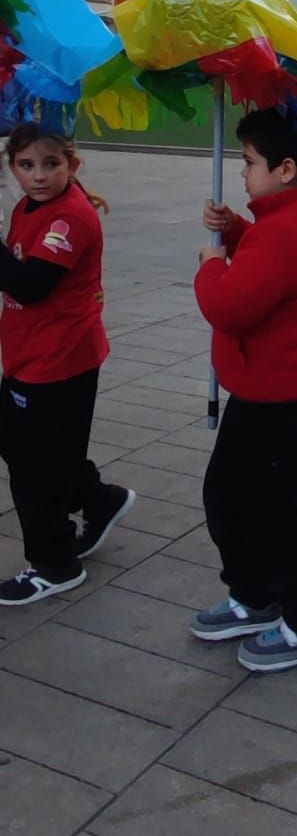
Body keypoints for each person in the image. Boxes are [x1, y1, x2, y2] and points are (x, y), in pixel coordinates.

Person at [192, 106, 297, 673]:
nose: (242, 172)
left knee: (281, 517)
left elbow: (229, 307)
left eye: (250, 162)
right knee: (231, 499)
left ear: (285, 169)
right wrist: (235, 231)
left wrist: (211, 264)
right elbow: (267, 258)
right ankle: (256, 596)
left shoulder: (286, 232)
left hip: (279, 402)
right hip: (263, 393)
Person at [0, 126, 134, 606]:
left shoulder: (70, 217)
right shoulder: (27, 208)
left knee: (34, 468)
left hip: (57, 360)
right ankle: (99, 500)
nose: (38, 176)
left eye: (51, 164)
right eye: (26, 165)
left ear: (72, 165)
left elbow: (30, 284)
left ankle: (54, 564)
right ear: (11, 167)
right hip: (31, 354)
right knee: (33, 448)